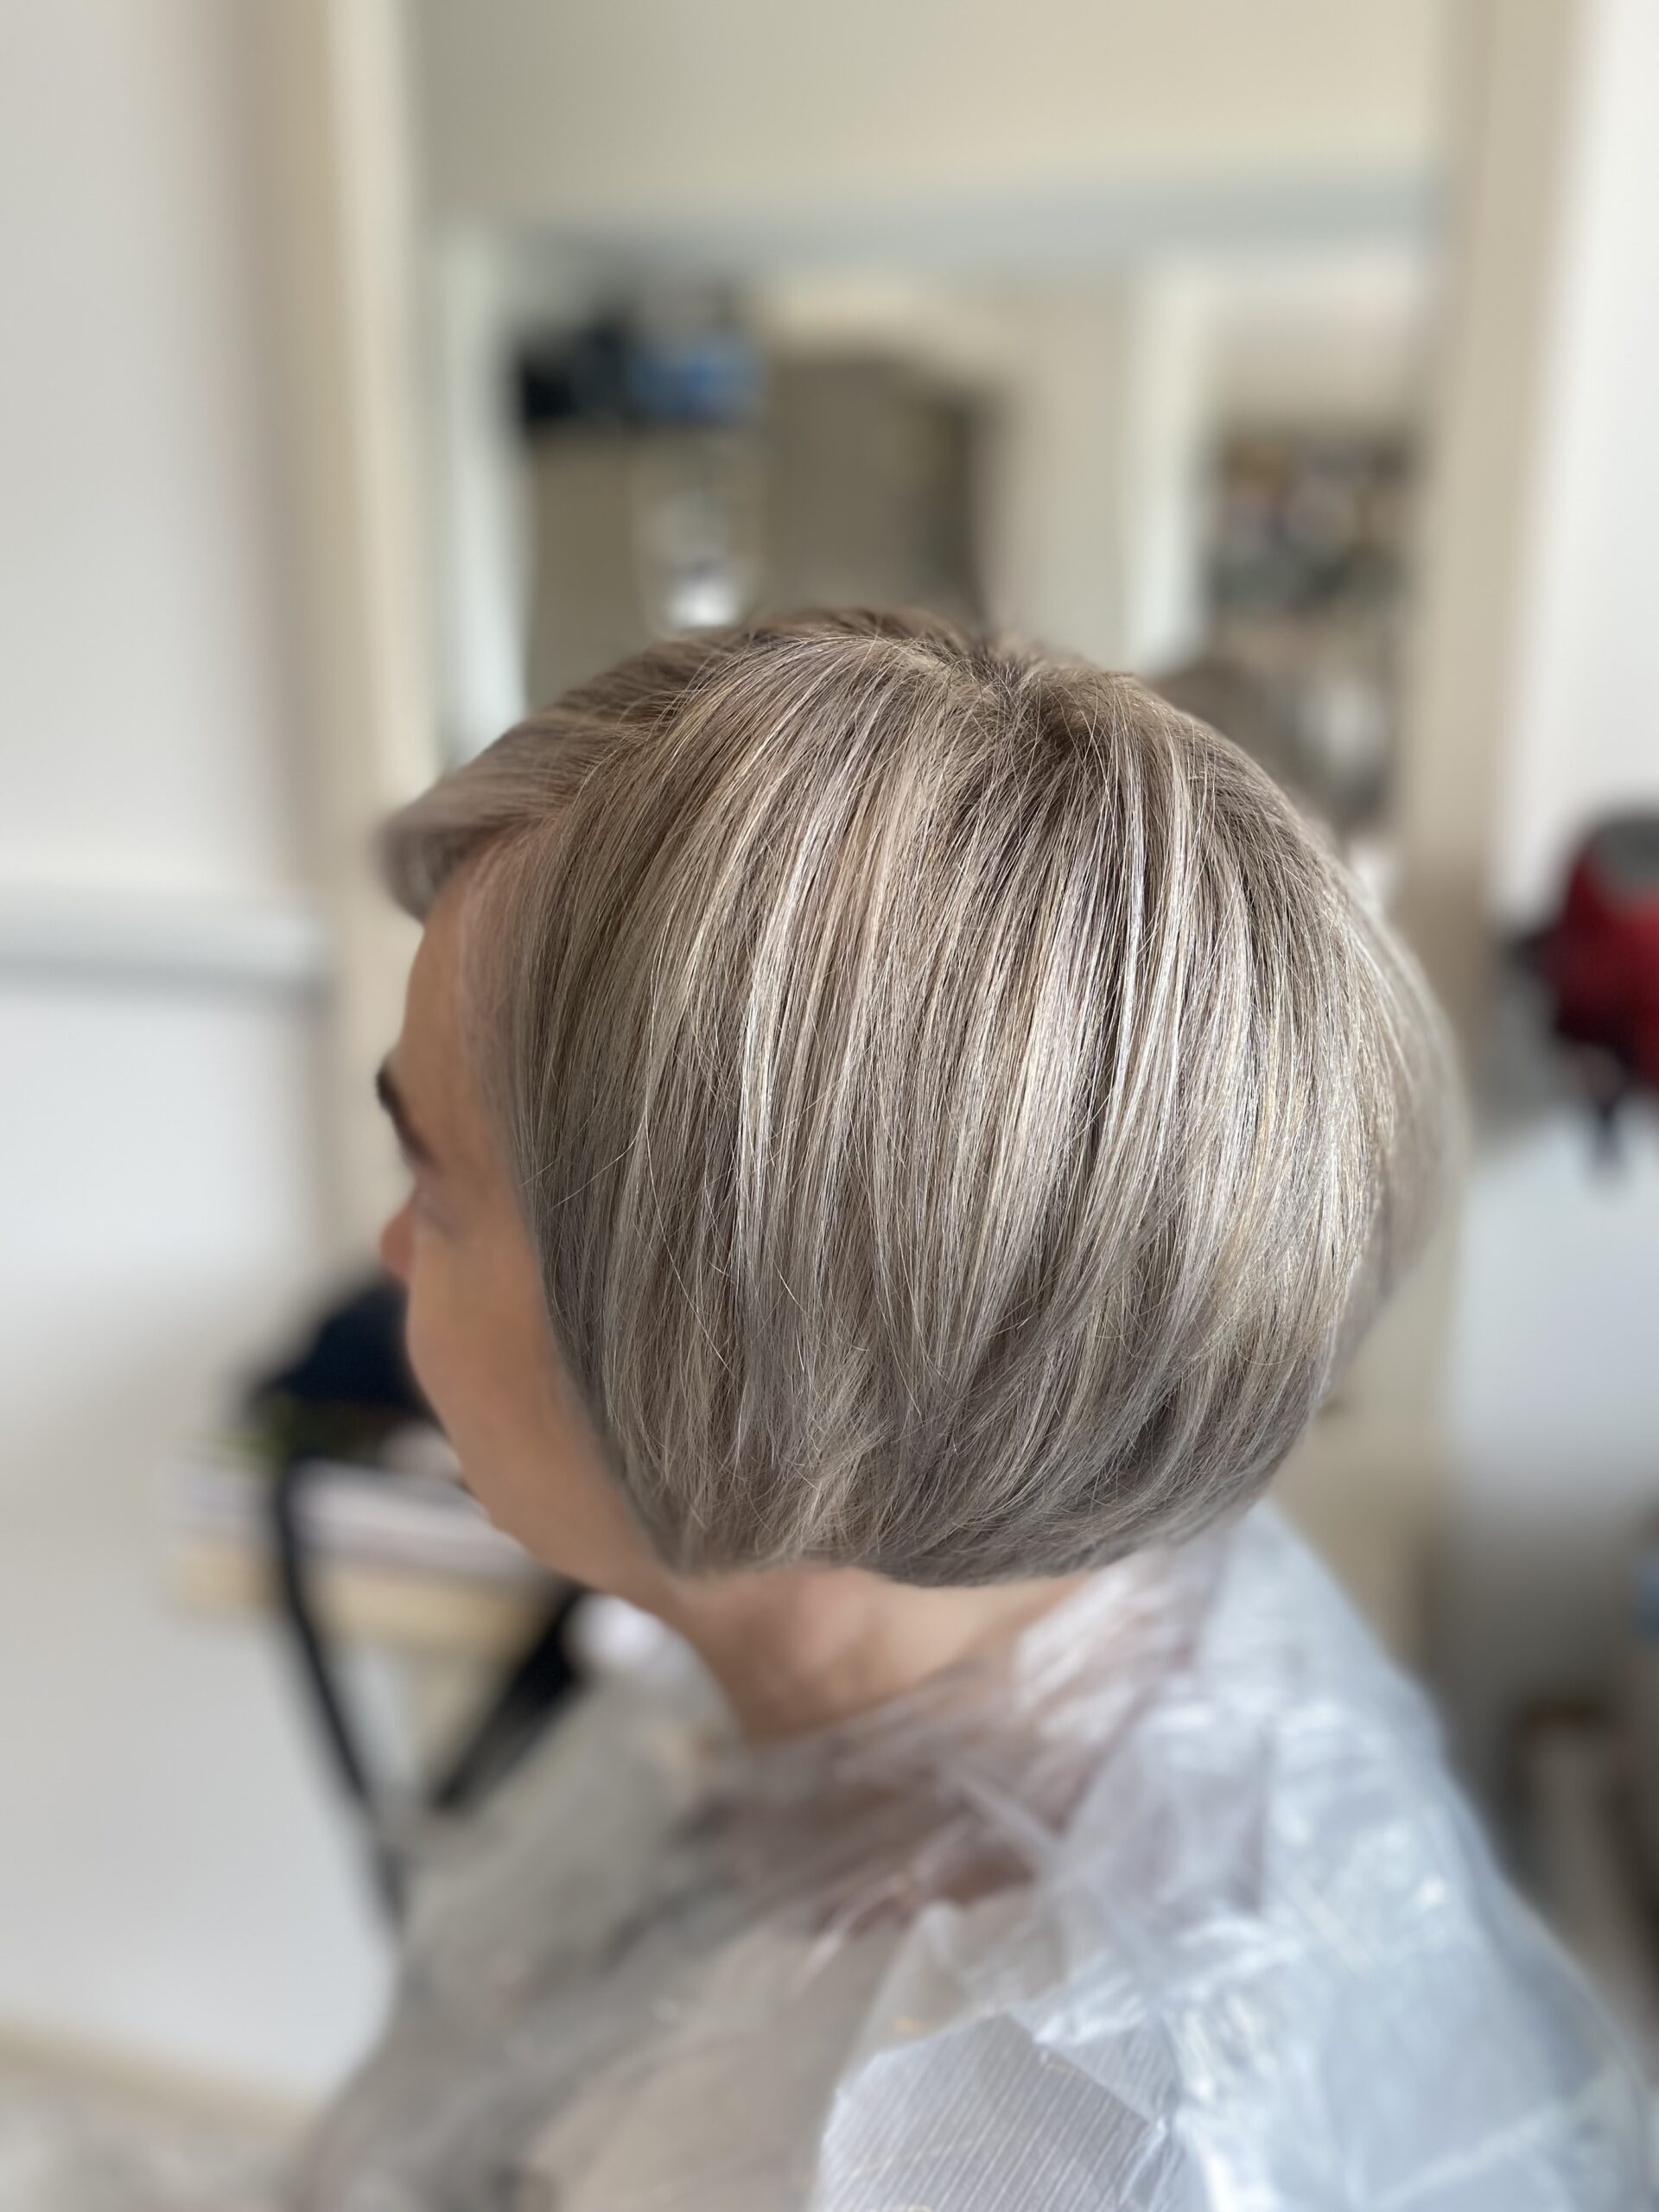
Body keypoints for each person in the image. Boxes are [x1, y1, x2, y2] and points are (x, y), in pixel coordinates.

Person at [296, 609, 1651, 2209]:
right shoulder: (1061, 1594)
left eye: (435, 1182)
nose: (389, 1253)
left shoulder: (1025, 2145)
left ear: (731, 1355)